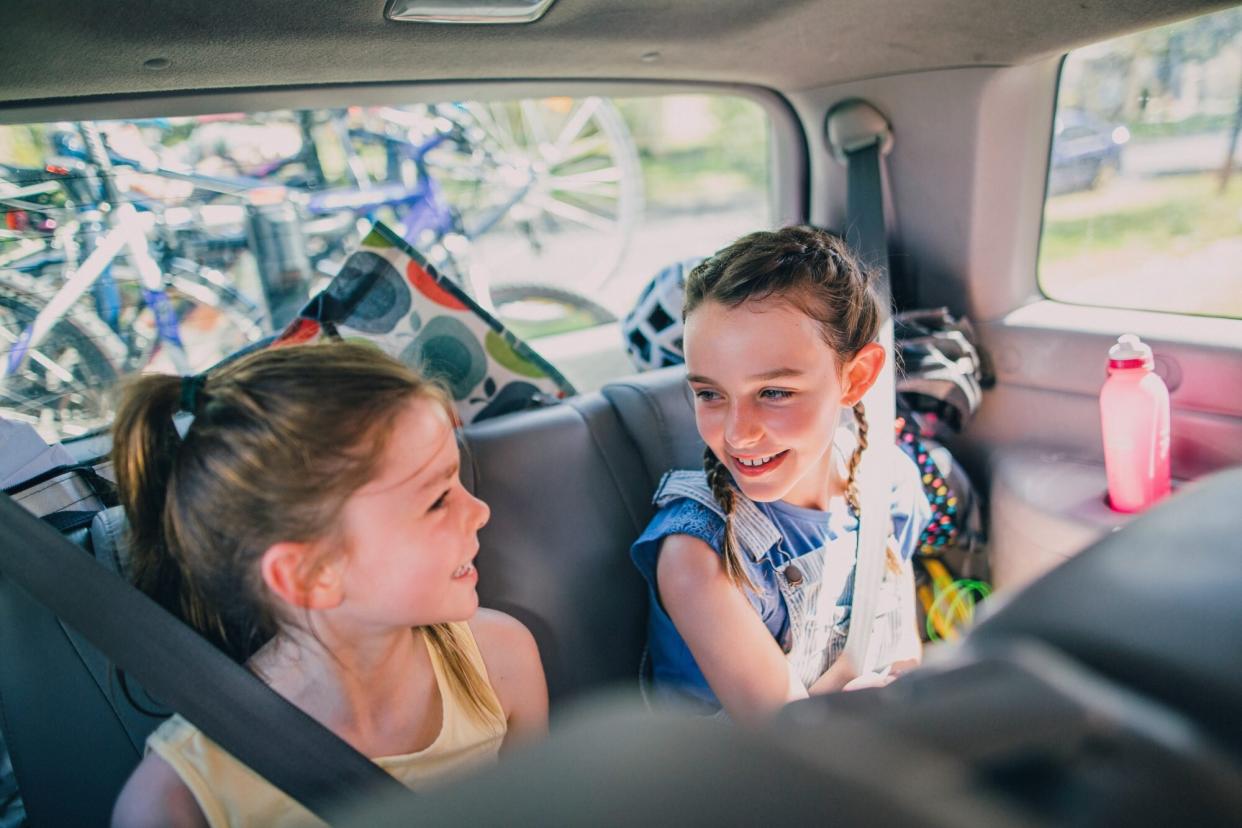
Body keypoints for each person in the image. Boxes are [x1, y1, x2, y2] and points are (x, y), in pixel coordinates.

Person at [110, 342, 548, 828]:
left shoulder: (502, 661)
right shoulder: (178, 803)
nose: (480, 511)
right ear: (310, 575)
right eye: (438, 500)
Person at [630, 226, 932, 725]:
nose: (737, 434)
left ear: (854, 378)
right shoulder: (698, 556)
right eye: (710, 394)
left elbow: (903, 653)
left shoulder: (890, 484)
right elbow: (793, 746)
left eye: (773, 393)